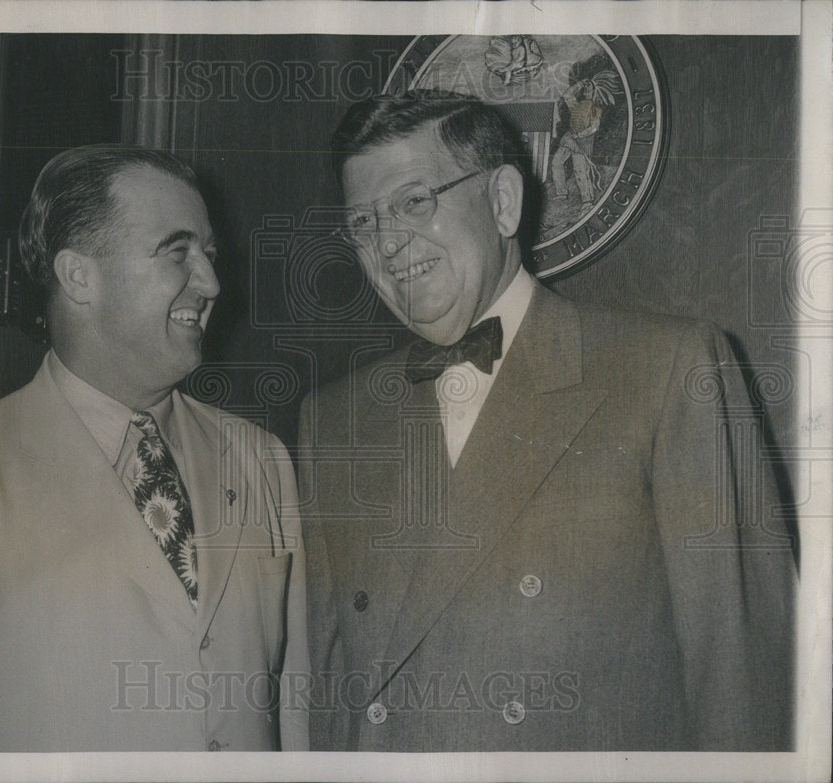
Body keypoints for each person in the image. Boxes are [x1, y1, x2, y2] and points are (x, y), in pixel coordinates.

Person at [300, 90, 795, 752]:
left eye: (414, 203)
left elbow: (748, 688)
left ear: (503, 201)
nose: (388, 245)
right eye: (363, 222)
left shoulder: (668, 368)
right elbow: (333, 705)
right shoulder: (334, 420)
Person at [0, 146, 308, 752]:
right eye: (177, 251)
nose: (210, 282)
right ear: (80, 276)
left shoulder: (262, 460)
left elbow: (296, 715)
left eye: (209, 253)